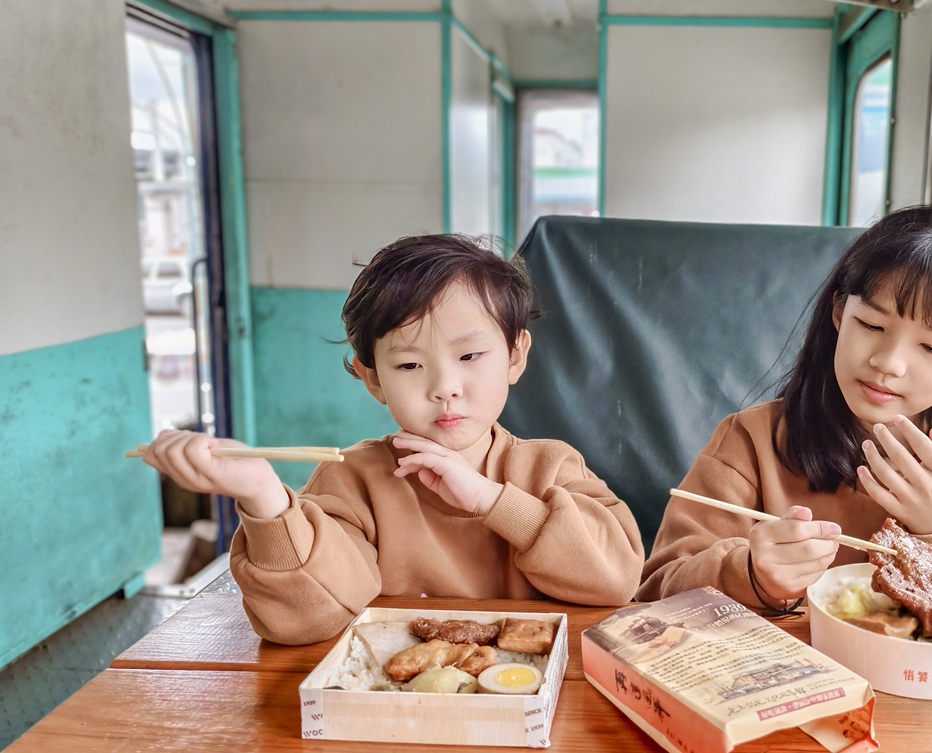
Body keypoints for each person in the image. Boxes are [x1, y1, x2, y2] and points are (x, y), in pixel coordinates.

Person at [141, 234, 645, 645]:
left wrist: (491, 500)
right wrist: (264, 497)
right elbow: (306, 620)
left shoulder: (552, 467)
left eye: (469, 356)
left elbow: (617, 580)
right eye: (408, 365)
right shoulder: (352, 480)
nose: (445, 386)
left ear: (515, 356)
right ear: (373, 379)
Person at [637, 206, 932, 615]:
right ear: (839, 313)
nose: (888, 363)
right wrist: (751, 575)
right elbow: (657, 586)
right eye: (871, 325)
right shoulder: (753, 440)